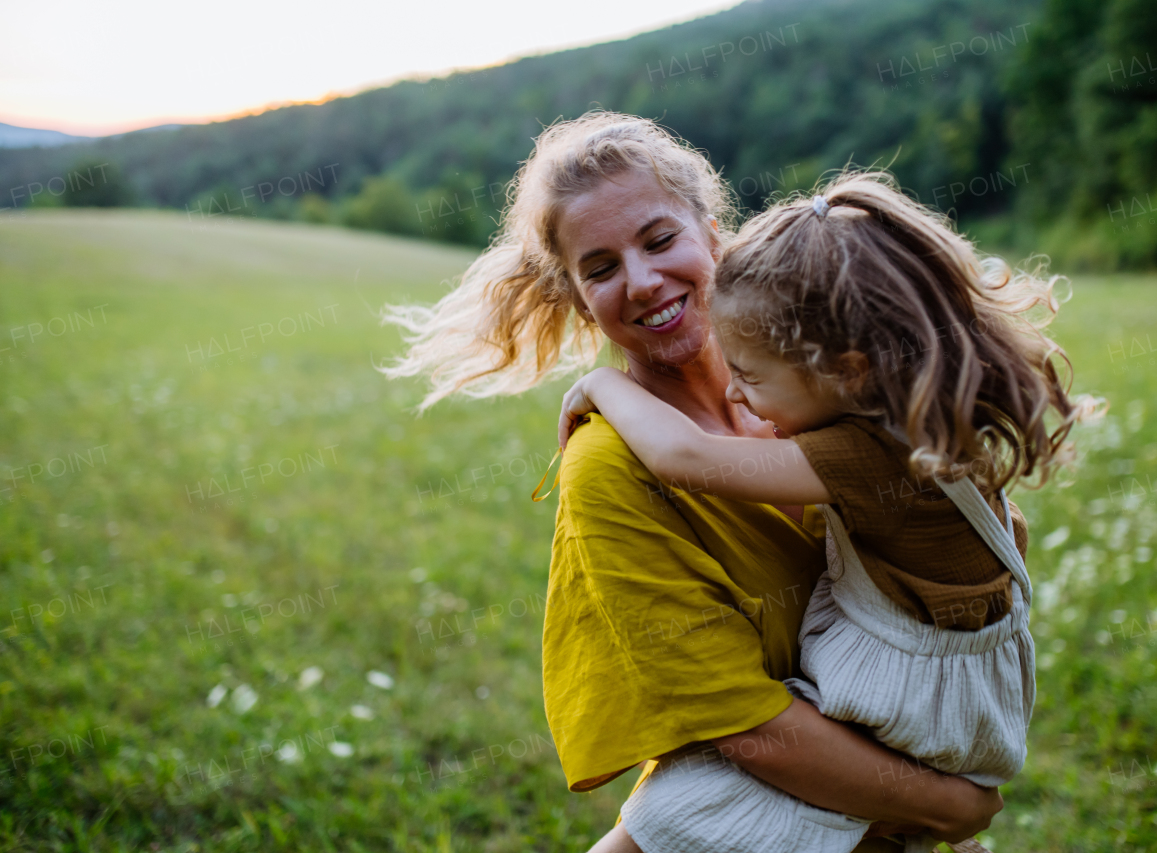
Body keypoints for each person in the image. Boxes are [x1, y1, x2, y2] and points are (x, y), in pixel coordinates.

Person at [383, 112, 1003, 851]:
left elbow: (981, 546)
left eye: (658, 239)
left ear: (712, 232)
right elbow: (747, 729)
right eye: (602, 267)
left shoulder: (826, 387)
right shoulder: (610, 466)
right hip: (776, 822)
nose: (642, 282)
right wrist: (948, 806)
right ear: (581, 299)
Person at [558, 173, 1100, 852]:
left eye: (750, 376)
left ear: (848, 370)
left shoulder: (859, 454)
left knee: (675, 812)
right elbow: (1008, 536)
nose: (739, 393)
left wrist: (598, 380)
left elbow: (684, 457)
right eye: (601, 266)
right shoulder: (917, 433)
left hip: (907, 702)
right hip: (957, 704)